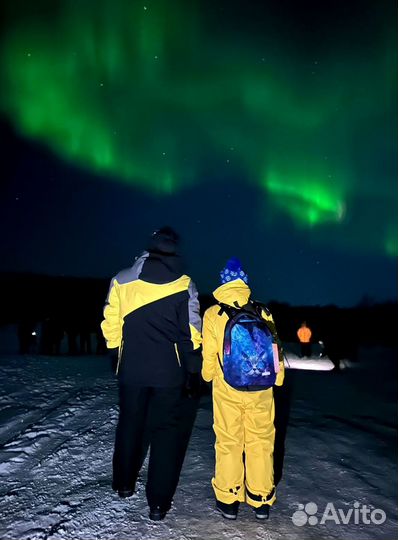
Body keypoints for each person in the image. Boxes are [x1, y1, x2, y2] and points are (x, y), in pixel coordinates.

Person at [101, 226, 202, 521]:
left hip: (131, 367)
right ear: (174, 249)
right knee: (166, 432)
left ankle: (123, 484)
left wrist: (115, 351)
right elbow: (192, 331)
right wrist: (192, 367)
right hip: (169, 372)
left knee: (130, 423)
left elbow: (110, 320)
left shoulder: (121, 279)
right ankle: (158, 504)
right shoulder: (185, 284)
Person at [201, 258, 285, 521]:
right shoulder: (264, 311)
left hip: (227, 389)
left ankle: (228, 499)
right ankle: (261, 500)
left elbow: (208, 357)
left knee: (229, 442)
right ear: (245, 281)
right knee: (261, 442)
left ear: (223, 281)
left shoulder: (213, 314)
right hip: (261, 388)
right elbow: (275, 352)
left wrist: (208, 377)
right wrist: (277, 380)